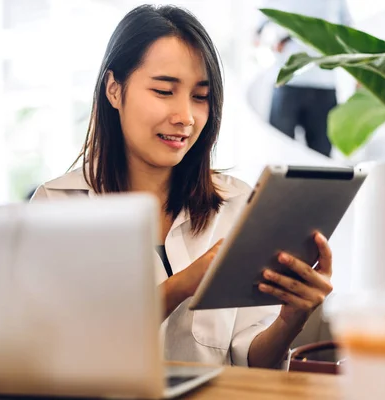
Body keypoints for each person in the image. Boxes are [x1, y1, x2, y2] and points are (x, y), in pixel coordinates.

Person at [32, 5, 333, 368]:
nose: (186, 117)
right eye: (163, 90)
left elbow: (253, 363)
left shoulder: (237, 205)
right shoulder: (56, 207)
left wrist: (290, 320)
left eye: (200, 97)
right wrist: (182, 285)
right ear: (114, 90)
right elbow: (59, 351)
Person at [256, 0, 353, 157]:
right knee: (278, 153)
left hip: (324, 84)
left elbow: (350, 33)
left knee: (321, 159)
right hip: (287, 82)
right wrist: (274, 40)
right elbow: (259, 32)